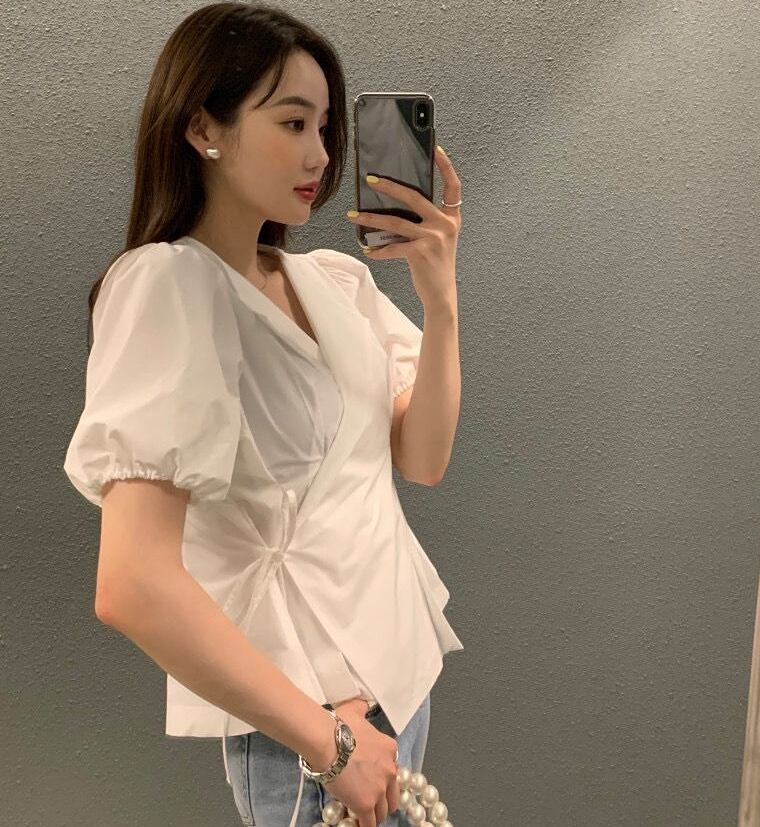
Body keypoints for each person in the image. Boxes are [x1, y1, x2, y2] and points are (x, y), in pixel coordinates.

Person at [62, 3, 464, 826]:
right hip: (315, 733)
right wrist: (330, 745)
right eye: (291, 122)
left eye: (325, 126)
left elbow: (421, 458)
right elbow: (132, 583)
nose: (320, 153)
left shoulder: (331, 280)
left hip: (398, 687)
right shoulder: (168, 286)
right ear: (202, 127)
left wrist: (440, 296)